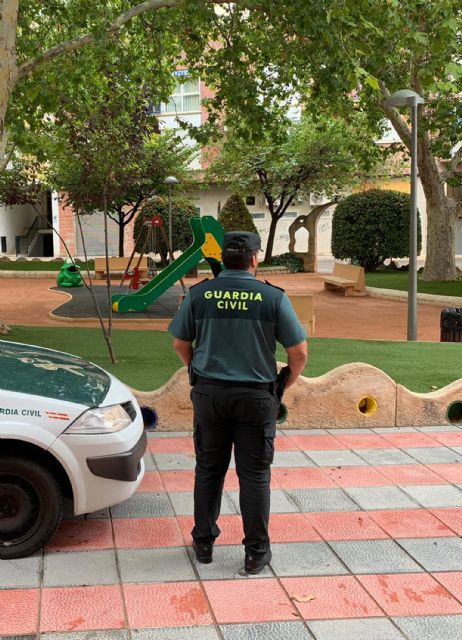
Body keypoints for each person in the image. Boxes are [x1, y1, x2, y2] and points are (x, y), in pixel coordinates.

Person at [168, 231, 307, 574]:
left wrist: (197, 372)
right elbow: (299, 353)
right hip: (256, 397)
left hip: (209, 395)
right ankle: (256, 553)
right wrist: (283, 383)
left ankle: (203, 544)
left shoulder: (199, 294)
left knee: (209, 470)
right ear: (254, 258)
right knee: (255, 475)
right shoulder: (272, 297)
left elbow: (180, 343)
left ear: (222, 258)